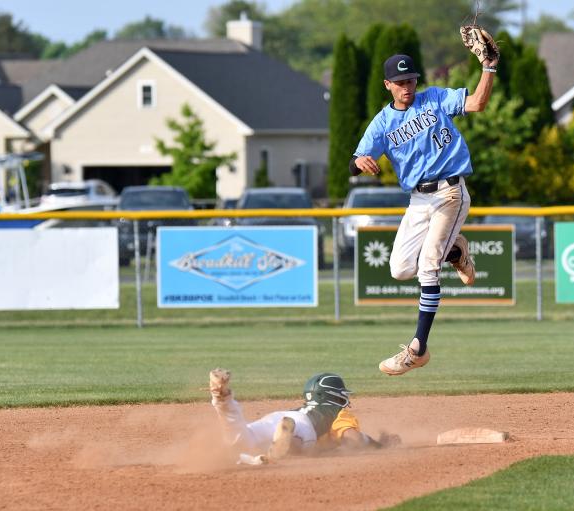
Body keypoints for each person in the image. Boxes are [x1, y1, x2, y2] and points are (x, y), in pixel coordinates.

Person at [350, 44, 499, 376]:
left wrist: (488, 67)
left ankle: (418, 348)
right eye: (400, 82)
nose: (407, 87)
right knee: (400, 269)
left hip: (450, 192)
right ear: (387, 84)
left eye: (411, 80)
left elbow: (477, 103)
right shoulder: (382, 123)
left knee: (427, 268)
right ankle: (457, 251)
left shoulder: (434, 99)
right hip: (418, 200)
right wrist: (359, 161)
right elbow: (354, 161)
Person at [208, 368, 399, 462]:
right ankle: (287, 438)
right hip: (301, 426)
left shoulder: (301, 407)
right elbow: (353, 438)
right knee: (300, 442)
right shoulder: (337, 412)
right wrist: (378, 445)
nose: (344, 400)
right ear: (332, 396)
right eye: (342, 395)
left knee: (241, 437)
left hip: (276, 417)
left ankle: (223, 400)